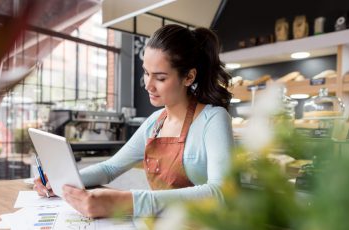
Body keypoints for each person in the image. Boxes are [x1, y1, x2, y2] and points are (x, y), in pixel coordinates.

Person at [34, 24, 233, 218]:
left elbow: (220, 193)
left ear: (189, 77)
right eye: (146, 73)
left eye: (160, 78)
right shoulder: (155, 123)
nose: (148, 85)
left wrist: (126, 201)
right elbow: (109, 168)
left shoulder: (213, 119)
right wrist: (62, 182)